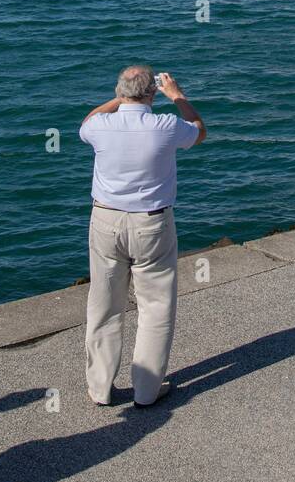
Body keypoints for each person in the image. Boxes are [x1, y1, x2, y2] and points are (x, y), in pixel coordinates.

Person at [79, 65, 206, 408]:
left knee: (104, 305)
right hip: (151, 224)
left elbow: (87, 121)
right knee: (155, 307)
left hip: (105, 220)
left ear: (120, 92)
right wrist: (177, 96)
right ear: (152, 93)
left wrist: (120, 97)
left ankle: (100, 389)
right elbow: (199, 131)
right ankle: (147, 392)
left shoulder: (101, 126)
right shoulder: (165, 125)